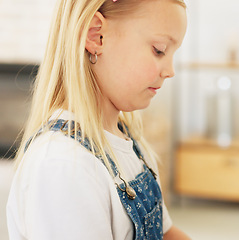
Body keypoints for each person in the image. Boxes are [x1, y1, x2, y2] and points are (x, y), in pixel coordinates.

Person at [6, 0, 189, 239]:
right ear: (96, 36)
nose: (170, 70)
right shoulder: (63, 166)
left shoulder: (126, 139)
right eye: (159, 50)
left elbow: (166, 233)